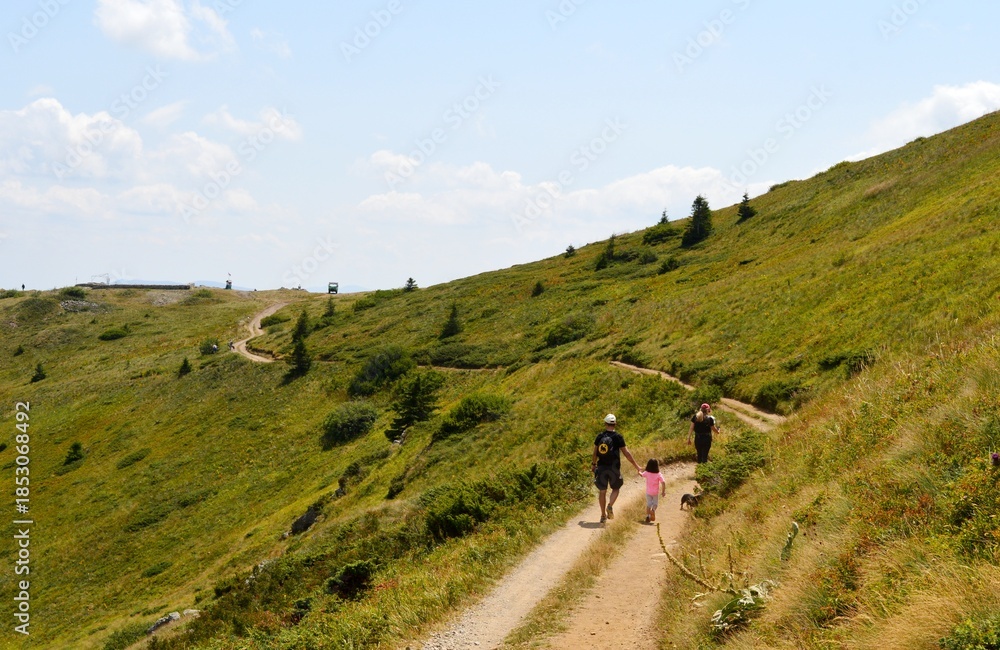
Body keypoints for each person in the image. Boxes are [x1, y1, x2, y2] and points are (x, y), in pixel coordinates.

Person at [592, 413, 643, 524]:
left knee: (602, 491)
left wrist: (593, 464)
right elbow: (626, 453)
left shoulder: (600, 436)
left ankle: (603, 516)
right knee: (616, 488)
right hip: (614, 468)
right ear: (615, 424)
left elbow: (595, 452)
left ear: (605, 423)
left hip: (601, 467)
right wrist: (637, 466)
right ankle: (610, 505)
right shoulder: (618, 437)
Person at [640, 459, 667, 523]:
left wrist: (639, 471)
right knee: (655, 504)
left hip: (648, 492)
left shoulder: (647, 473)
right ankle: (653, 510)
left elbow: (641, 474)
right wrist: (663, 492)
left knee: (649, 504)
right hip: (655, 492)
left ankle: (648, 516)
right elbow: (663, 482)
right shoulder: (658, 474)